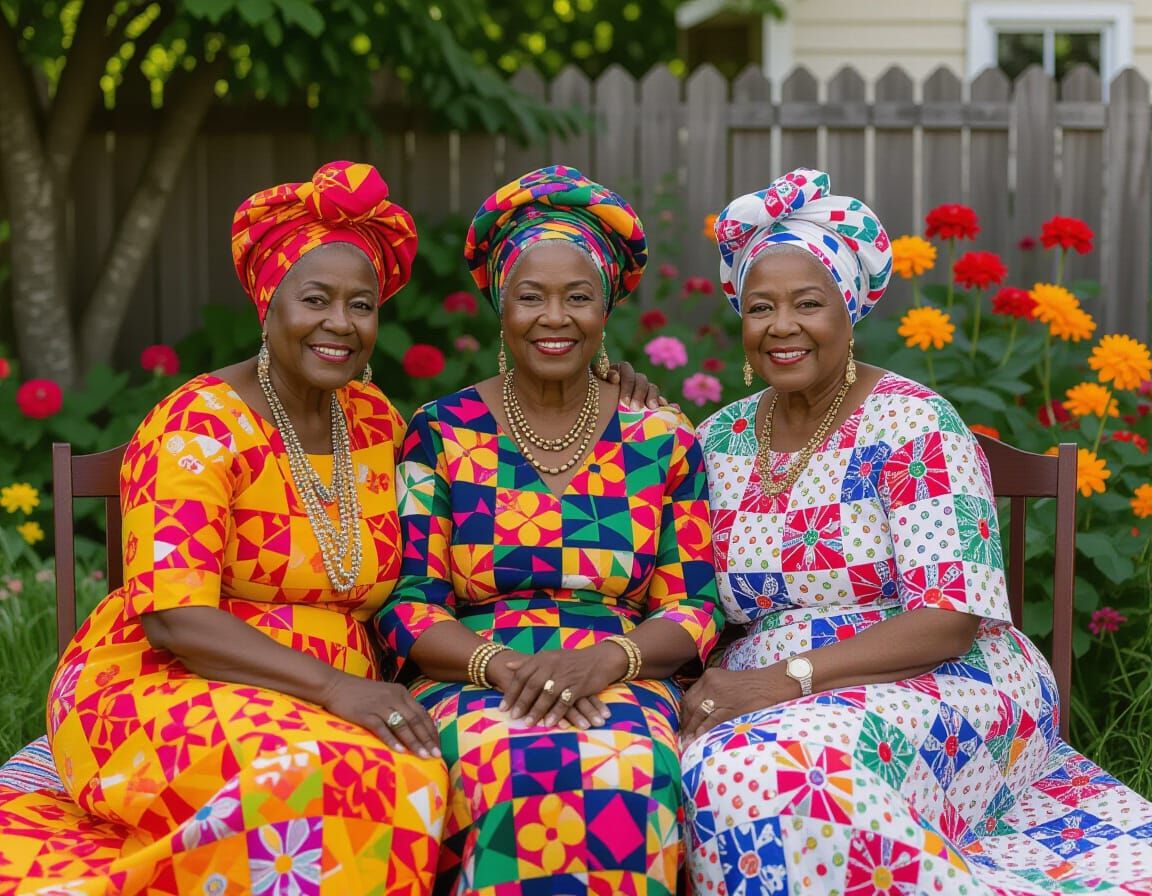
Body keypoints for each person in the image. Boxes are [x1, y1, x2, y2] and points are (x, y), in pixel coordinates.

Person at [680, 168, 1152, 894]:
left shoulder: (914, 423)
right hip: (770, 687)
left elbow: (949, 620)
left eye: (809, 303)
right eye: (760, 306)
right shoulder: (718, 438)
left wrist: (787, 680)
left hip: (941, 674)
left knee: (788, 773)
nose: (781, 326)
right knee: (702, 766)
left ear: (850, 308)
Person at [0, 161, 450, 895]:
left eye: (361, 305)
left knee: (419, 772)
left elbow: (473, 483)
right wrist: (337, 688)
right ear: (268, 303)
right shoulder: (197, 424)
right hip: (166, 684)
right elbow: (177, 618)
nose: (341, 323)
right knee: (325, 781)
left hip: (331, 694)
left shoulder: (375, 423)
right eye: (316, 299)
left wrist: (602, 388)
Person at [375, 164, 724, 895]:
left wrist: (609, 660)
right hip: (472, 671)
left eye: (578, 296)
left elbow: (693, 608)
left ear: (606, 309)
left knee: (628, 768)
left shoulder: (660, 435)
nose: (554, 317)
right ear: (501, 307)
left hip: (622, 672)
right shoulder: (440, 432)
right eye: (530, 296)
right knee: (502, 761)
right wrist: (500, 667)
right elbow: (408, 604)